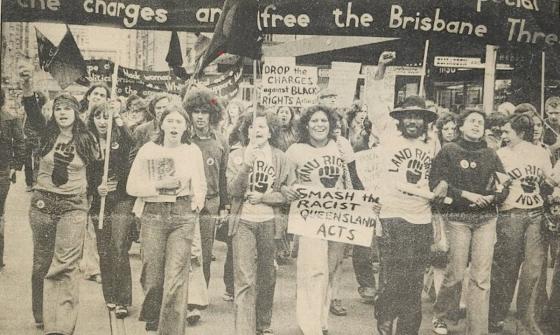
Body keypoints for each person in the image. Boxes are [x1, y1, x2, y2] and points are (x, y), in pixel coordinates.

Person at [283, 104, 364, 335]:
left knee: (330, 268)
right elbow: (283, 182)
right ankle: (309, 324)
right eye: (314, 121)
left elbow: (355, 179)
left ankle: (321, 319)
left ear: (331, 124)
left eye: (324, 121)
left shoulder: (341, 145)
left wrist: (367, 204)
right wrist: (288, 190)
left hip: (338, 216)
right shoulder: (295, 151)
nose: (320, 125)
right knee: (312, 269)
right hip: (309, 216)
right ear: (306, 125)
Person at [127, 104, 206, 334]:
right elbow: (131, 187)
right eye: (169, 121)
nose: (174, 125)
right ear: (161, 124)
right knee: (153, 276)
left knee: (176, 278)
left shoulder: (192, 151)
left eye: (179, 122)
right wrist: (157, 186)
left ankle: (169, 330)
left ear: (186, 127)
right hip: (153, 212)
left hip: (182, 215)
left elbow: (200, 184)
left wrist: (196, 203)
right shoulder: (148, 150)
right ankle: (153, 318)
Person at [430, 108, 507, 335]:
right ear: (461, 126)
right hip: (457, 219)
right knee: (455, 271)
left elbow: (504, 184)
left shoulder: (491, 153)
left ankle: (477, 329)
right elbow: (436, 183)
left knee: (481, 278)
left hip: (486, 219)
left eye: (480, 122)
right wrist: (466, 195)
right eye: (472, 121)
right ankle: (441, 316)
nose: (476, 125)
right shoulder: (449, 151)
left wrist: (493, 197)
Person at [27, 91, 99, 334]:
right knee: (42, 264)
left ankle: (61, 326)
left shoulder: (86, 138)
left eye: (68, 109)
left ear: (76, 112)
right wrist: (27, 87)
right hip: (43, 206)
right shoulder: (46, 134)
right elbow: (32, 113)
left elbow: (96, 170)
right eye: (58, 109)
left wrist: (97, 191)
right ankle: (42, 315)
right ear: (53, 113)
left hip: (73, 207)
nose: (63, 113)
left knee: (66, 266)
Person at [373, 96, 438, 335]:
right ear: (400, 119)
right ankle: (385, 314)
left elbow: (437, 179)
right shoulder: (389, 137)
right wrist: (380, 69)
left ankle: (407, 330)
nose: (412, 120)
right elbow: (376, 104)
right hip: (393, 215)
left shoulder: (431, 144)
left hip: (421, 217)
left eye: (418, 116)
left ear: (425, 121)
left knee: (414, 280)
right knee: (395, 275)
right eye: (408, 116)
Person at [227, 109, 289, 335]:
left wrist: (265, 197)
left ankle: (262, 324)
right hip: (243, 221)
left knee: (267, 276)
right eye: (252, 126)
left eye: (262, 126)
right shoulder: (237, 154)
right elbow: (232, 190)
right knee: (244, 278)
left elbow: (287, 194)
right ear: (247, 131)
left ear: (270, 132)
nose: (257, 130)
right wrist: (245, 165)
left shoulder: (280, 157)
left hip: (270, 223)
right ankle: (244, 329)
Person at [488, 112, 551, 334]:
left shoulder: (541, 153)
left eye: (507, 131)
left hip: (535, 215)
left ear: (521, 133)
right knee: (506, 268)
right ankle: (495, 318)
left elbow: (550, 180)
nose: (503, 135)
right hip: (510, 215)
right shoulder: (500, 154)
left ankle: (526, 324)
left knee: (533, 270)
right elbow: (494, 186)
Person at [183, 86, 230, 322]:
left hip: (210, 204)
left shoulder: (220, 141)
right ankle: (184, 297)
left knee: (205, 252)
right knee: (186, 253)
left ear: (213, 115)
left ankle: (198, 302)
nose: (200, 117)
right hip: (185, 203)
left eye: (205, 112)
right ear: (189, 114)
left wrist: (225, 205)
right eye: (196, 112)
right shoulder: (183, 139)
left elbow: (223, 176)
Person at [86, 101, 135, 318]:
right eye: (98, 116)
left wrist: (118, 118)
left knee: (119, 246)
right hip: (100, 202)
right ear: (92, 118)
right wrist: (96, 188)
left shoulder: (120, 138)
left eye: (106, 117)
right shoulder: (88, 141)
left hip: (121, 199)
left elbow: (130, 146)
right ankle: (111, 296)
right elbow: (85, 173)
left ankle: (123, 299)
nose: (102, 121)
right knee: (104, 249)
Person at [0, 87, 25, 269]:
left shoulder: (10, 118)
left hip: (2, 171)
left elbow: (20, 142)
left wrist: (15, 167)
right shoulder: (11, 118)